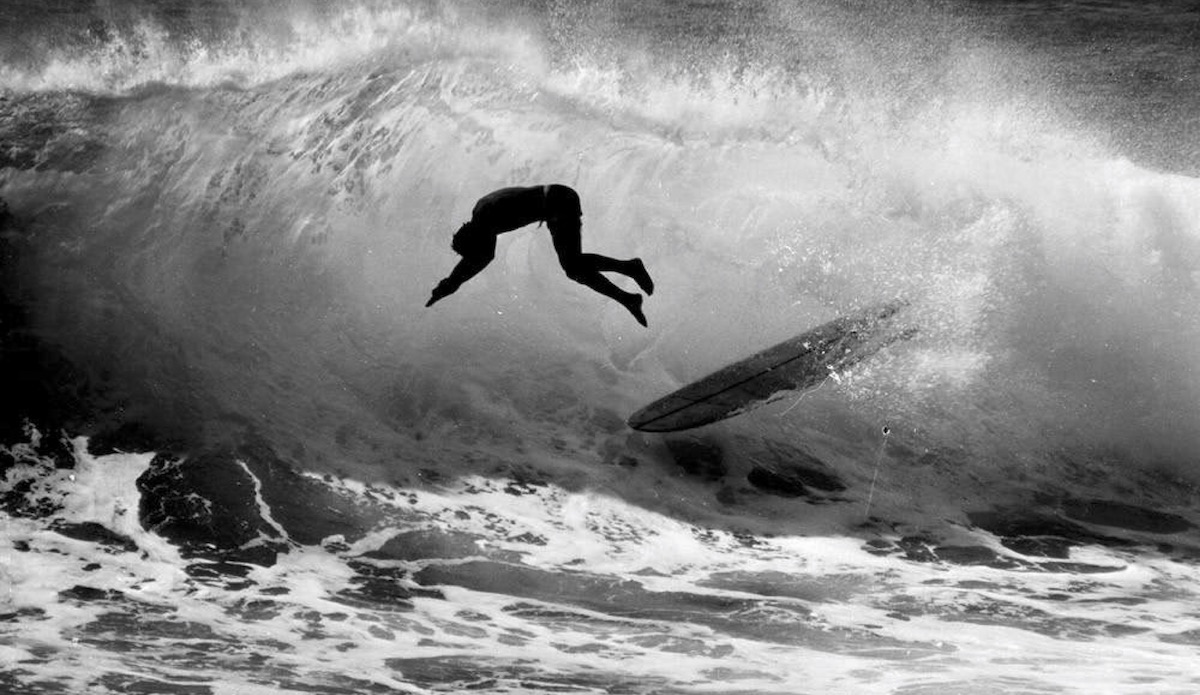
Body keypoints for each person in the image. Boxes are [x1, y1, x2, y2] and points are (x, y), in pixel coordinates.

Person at [426, 184, 655, 326]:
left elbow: (480, 259)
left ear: (475, 238)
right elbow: (477, 259)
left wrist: (451, 283)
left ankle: (631, 274)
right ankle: (629, 297)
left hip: (559, 200)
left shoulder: (488, 216)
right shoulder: (481, 215)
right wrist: (449, 284)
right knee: (573, 267)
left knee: (573, 266)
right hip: (555, 204)